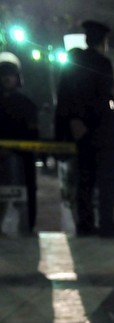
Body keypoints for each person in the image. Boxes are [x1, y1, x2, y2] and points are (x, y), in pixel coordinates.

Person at [54, 20, 114, 238]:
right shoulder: (102, 63)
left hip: (81, 132)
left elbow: (64, 96)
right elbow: (103, 96)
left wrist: (74, 122)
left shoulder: (72, 62)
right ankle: (107, 224)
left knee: (85, 180)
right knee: (107, 182)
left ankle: (85, 225)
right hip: (101, 130)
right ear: (103, 41)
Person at [0, 52, 38, 233]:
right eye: (3, 74)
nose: (7, 79)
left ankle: (26, 226)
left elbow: (32, 133)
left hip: (21, 161)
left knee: (22, 200)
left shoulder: (26, 104)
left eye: (11, 74)